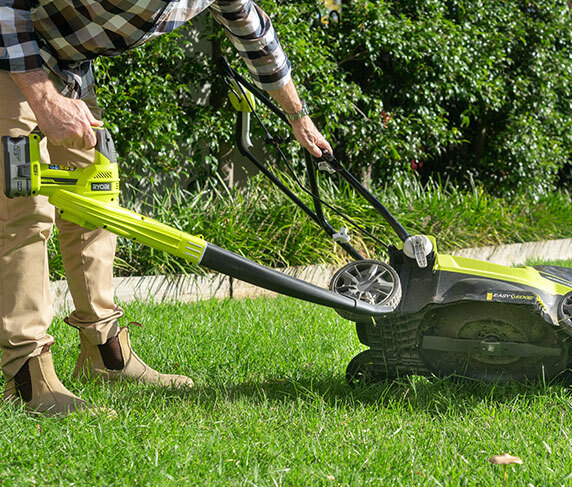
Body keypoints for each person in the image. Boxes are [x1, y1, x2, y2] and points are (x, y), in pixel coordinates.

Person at [0, 0, 332, 416]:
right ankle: (28, 378)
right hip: (11, 53)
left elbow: (255, 34)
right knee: (24, 211)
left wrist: (298, 116)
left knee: (94, 199)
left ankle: (105, 356)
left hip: (67, 68)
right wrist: (44, 100)